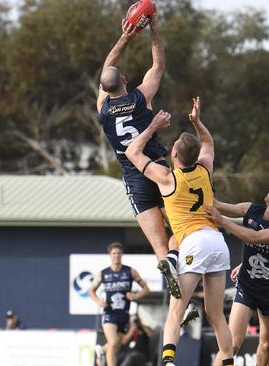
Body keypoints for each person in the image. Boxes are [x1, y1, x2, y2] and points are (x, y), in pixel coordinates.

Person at [125, 97, 234, 366]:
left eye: (172, 147)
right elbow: (208, 143)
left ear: (174, 155)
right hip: (217, 241)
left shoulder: (167, 178)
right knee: (216, 314)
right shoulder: (205, 169)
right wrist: (197, 122)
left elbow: (131, 153)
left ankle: (169, 362)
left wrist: (151, 128)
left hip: (193, 242)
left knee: (176, 309)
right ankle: (229, 360)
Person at [96, 8, 180, 299]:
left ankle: (172, 279)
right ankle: (179, 262)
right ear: (125, 80)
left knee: (159, 246)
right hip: (156, 169)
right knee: (182, 226)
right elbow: (158, 64)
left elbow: (108, 67)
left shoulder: (103, 108)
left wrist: (125, 37)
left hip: (132, 180)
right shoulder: (140, 97)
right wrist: (153, 28)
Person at [205, 178, 269, 366]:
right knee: (231, 344)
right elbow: (216, 204)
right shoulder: (251, 209)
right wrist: (200, 179)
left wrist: (222, 221)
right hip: (246, 285)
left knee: (265, 344)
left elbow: (256, 238)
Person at [90, 242, 150, 366]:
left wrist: (135, 296)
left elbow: (146, 289)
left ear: (122, 255)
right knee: (113, 341)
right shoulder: (103, 273)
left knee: (117, 345)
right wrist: (98, 301)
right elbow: (91, 290)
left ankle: (101, 352)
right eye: (113, 253)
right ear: (109, 255)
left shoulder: (130, 271)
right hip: (109, 312)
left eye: (118, 253)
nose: (116, 256)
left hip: (123, 313)